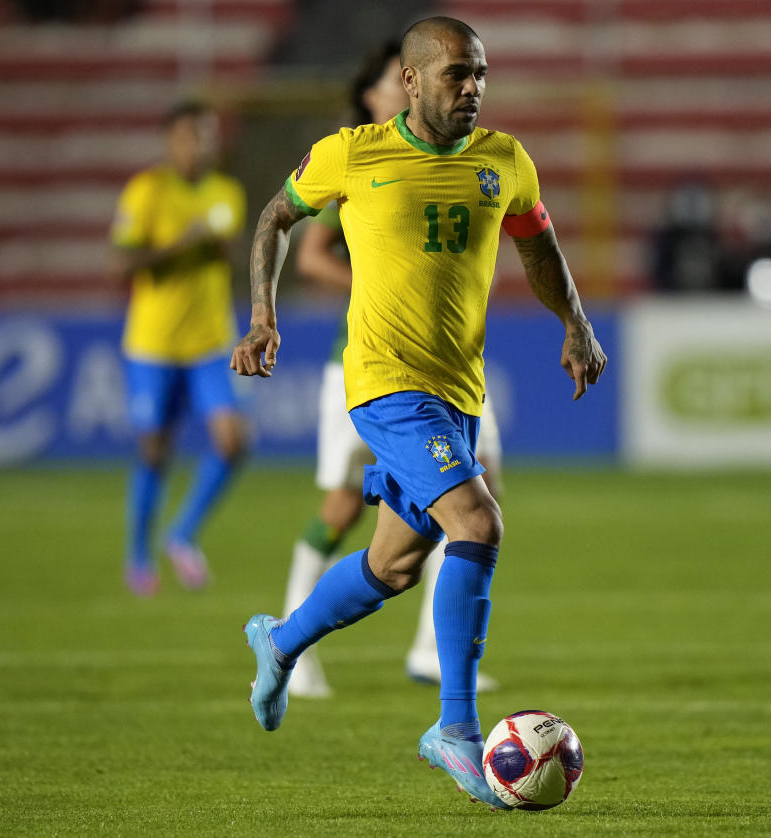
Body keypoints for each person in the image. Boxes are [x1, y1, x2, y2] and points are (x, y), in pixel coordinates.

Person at [231, 16, 606, 809]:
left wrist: (575, 321)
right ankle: (455, 731)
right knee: (479, 523)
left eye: (480, 75)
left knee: (394, 565)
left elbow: (538, 248)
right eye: (456, 75)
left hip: (457, 390)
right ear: (411, 79)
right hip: (384, 383)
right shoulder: (353, 153)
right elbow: (272, 219)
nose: (472, 88)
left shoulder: (505, 161)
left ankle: (281, 640)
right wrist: (263, 317)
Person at [283, 41, 501, 698]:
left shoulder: (454, 161)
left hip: (449, 375)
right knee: (345, 506)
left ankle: (431, 649)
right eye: (388, 84)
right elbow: (308, 255)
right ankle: (295, 639)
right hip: (366, 371)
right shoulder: (355, 162)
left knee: (466, 505)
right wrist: (375, 287)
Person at [109, 100, 248, 596]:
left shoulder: (226, 193)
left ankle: (181, 533)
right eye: (193, 135)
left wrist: (208, 245)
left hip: (210, 341)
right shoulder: (146, 191)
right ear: (172, 141)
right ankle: (139, 554)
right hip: (154, 344)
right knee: (154, 451)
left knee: (233, 443)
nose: (202, 145)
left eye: (208, 136)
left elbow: (226, 247)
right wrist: (180, 244)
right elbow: (123, 263)